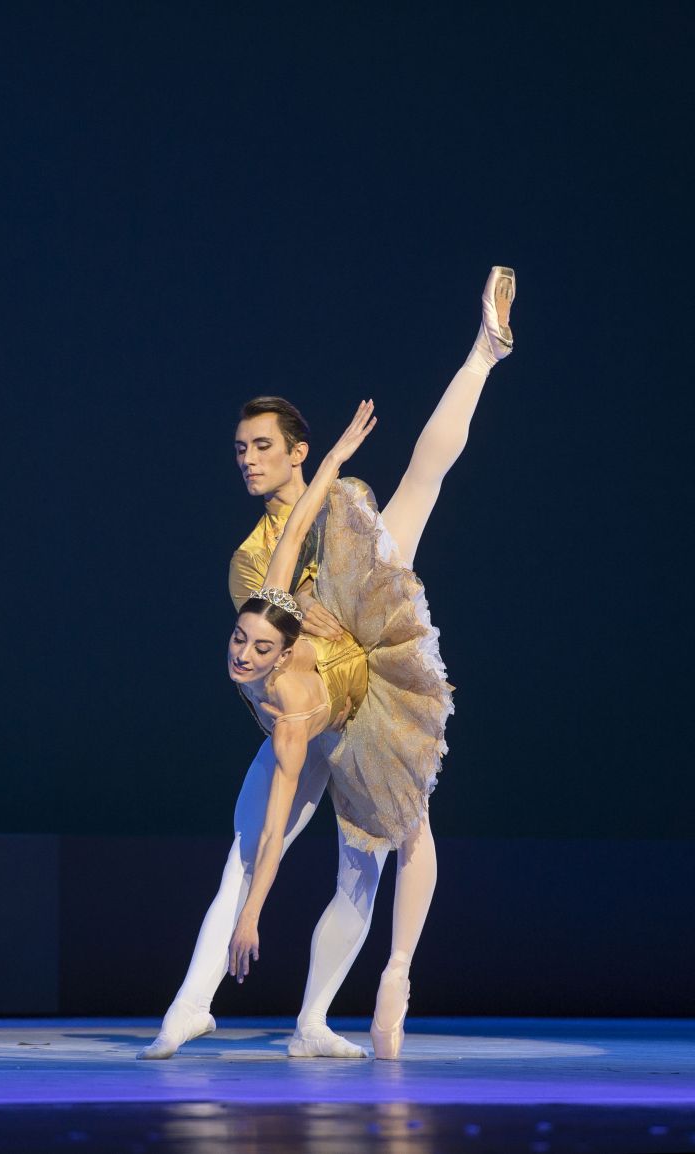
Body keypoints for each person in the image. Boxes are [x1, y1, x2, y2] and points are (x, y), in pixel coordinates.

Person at [139, 265, 515, 1060]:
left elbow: (323, 508)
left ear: (295, 451)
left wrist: (338, 461)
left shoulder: (341, 510)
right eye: (240, 449)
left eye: (262, 447)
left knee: (368, 863)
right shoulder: (250, 558)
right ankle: (189, 1005)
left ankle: (315, 1019)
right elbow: (265, 637)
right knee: (250, 850)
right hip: (307, 706)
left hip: (364, 679)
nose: (248, 460)